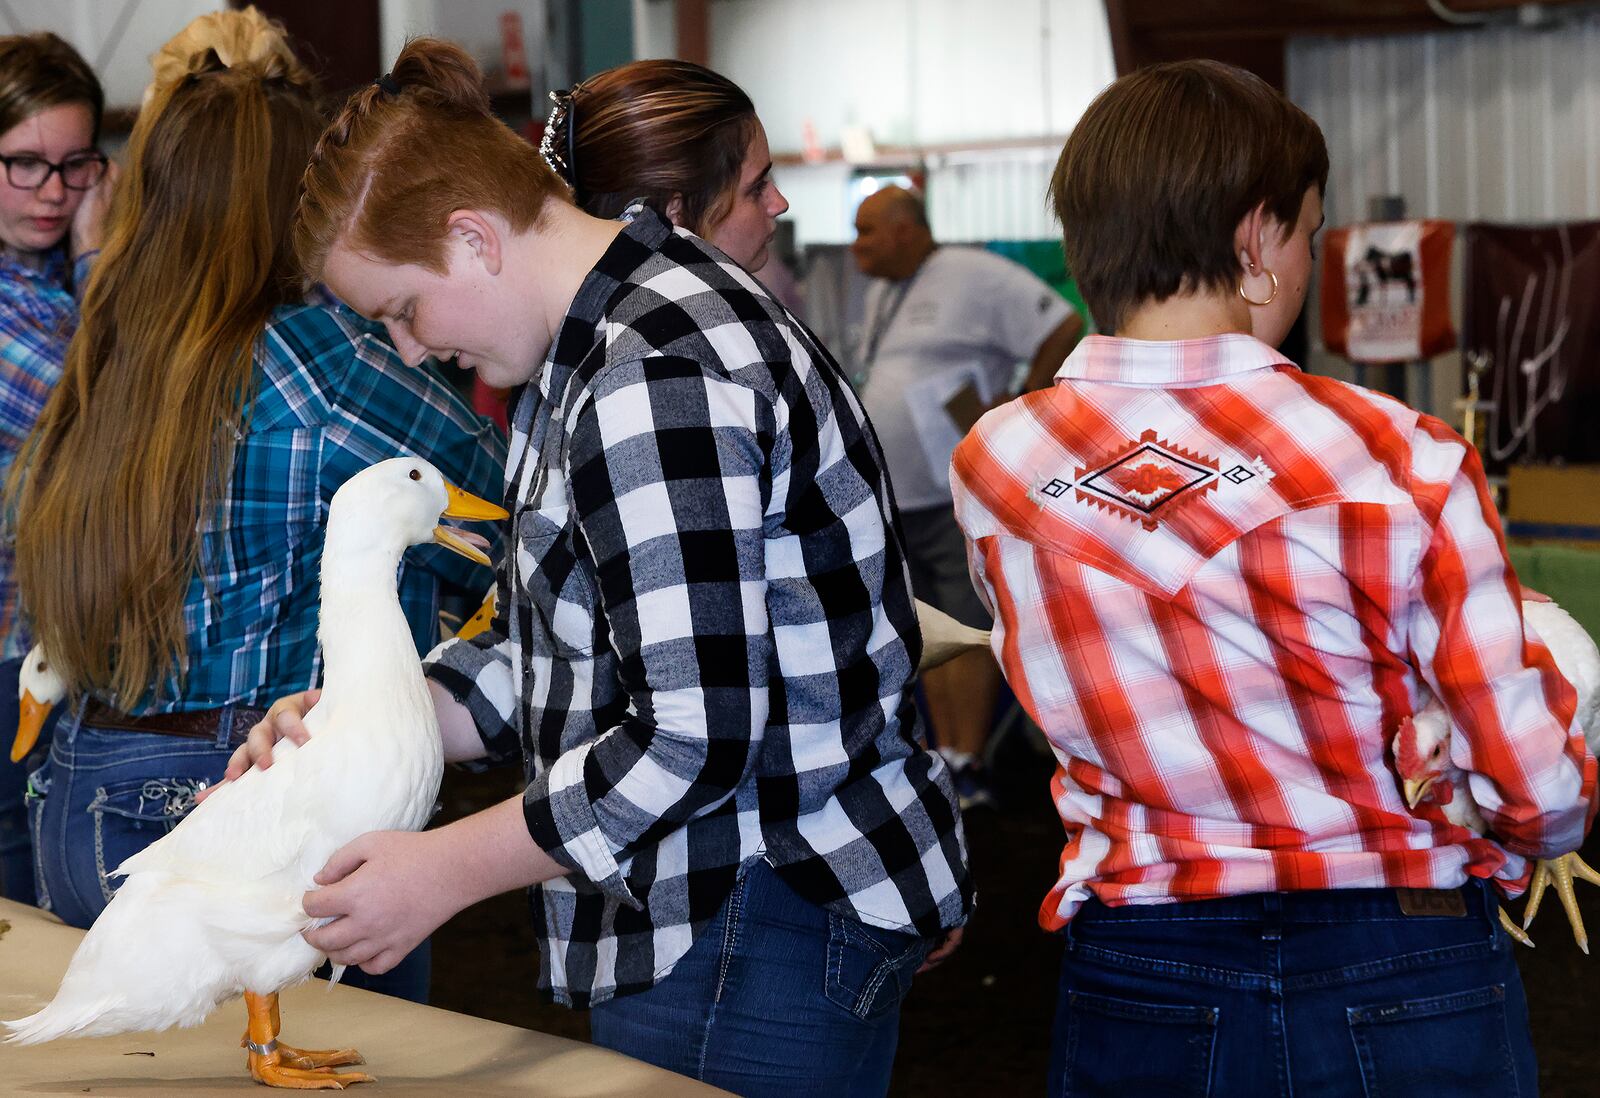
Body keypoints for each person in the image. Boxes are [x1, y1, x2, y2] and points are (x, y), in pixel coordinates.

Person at [229, 39, 971, 1096]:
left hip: (750, 912)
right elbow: (542, 625)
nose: (407, 349)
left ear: (474, 239)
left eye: (400, 309)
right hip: (723, 910)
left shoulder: (649, 376)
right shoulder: (594, 338)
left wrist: (441, 871)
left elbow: (698, 738)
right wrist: (366, 723)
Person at [949, 59, 1595, 1095]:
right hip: (1399, 943)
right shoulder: (1398, 451)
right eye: (1307, 231)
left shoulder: (997, 461)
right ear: (1255, 241)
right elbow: (1532, 783)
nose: (1303, 259)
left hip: (1143, 949)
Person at [7, 13, 504, 1006]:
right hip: (259, 793)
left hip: (79, 786)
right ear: (305, 197)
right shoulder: (329, 364)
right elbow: (506, 528)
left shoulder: (94, 340)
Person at [851, 185, 1082, 809]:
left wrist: (1024, 408)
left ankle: (969, 759)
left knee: (966, 620)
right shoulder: (882, 293)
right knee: (928, 625)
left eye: (867, 231)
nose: (857, 247)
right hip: (898, 495)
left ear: (906, 229)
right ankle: (946, 754)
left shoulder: (974, 274)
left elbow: (1061, 323)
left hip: (951, 489)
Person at [0, 31, 113, 906]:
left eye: (76, 163)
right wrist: (93, 253)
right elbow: (112, 413)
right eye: (24, 164)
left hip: (58, 645)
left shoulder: (49, 279)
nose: (52, 191)